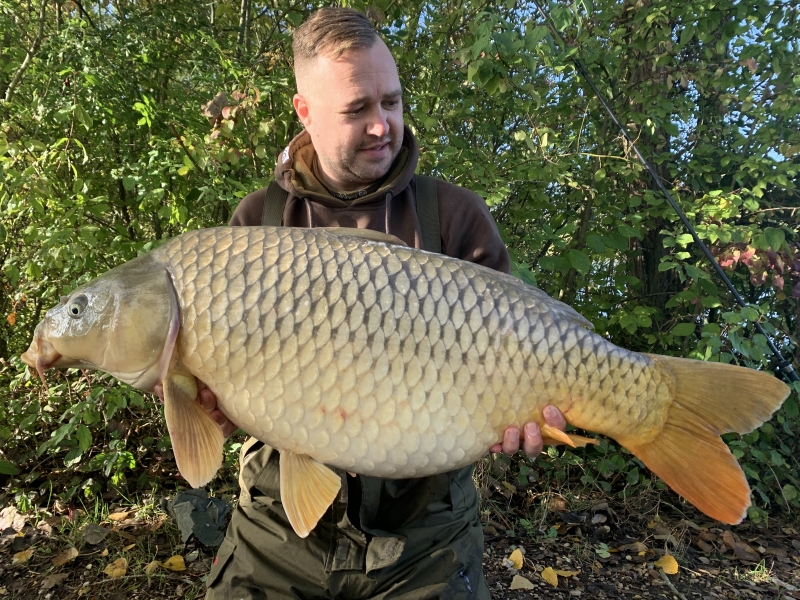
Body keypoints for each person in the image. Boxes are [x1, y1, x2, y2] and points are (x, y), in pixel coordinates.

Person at [194, 7, 567, 599]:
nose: (382, 126)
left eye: (390, 102)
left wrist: (528, 417)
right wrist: (207, 403)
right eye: (357, 110)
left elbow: (518, 364)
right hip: (277, 530)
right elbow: (220, 395)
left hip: (427, 539)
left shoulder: (455, 218)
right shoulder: (254, 228)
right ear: (306, 112)